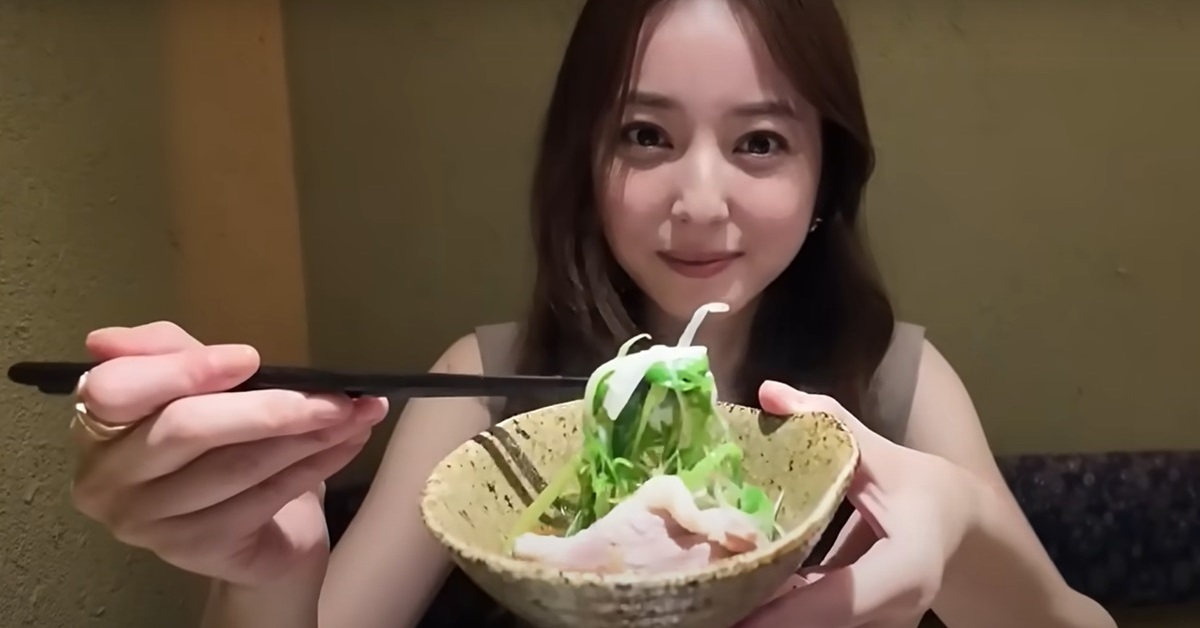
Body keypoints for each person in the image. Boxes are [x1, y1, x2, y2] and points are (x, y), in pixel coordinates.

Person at [65, 1, 1117, 627]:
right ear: (586, 164)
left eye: (759, 143)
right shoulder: (483, 386)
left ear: (824, 182)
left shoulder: (892, 382)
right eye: (646, 135)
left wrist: (964, 527)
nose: (697, 200)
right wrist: (269, 563)